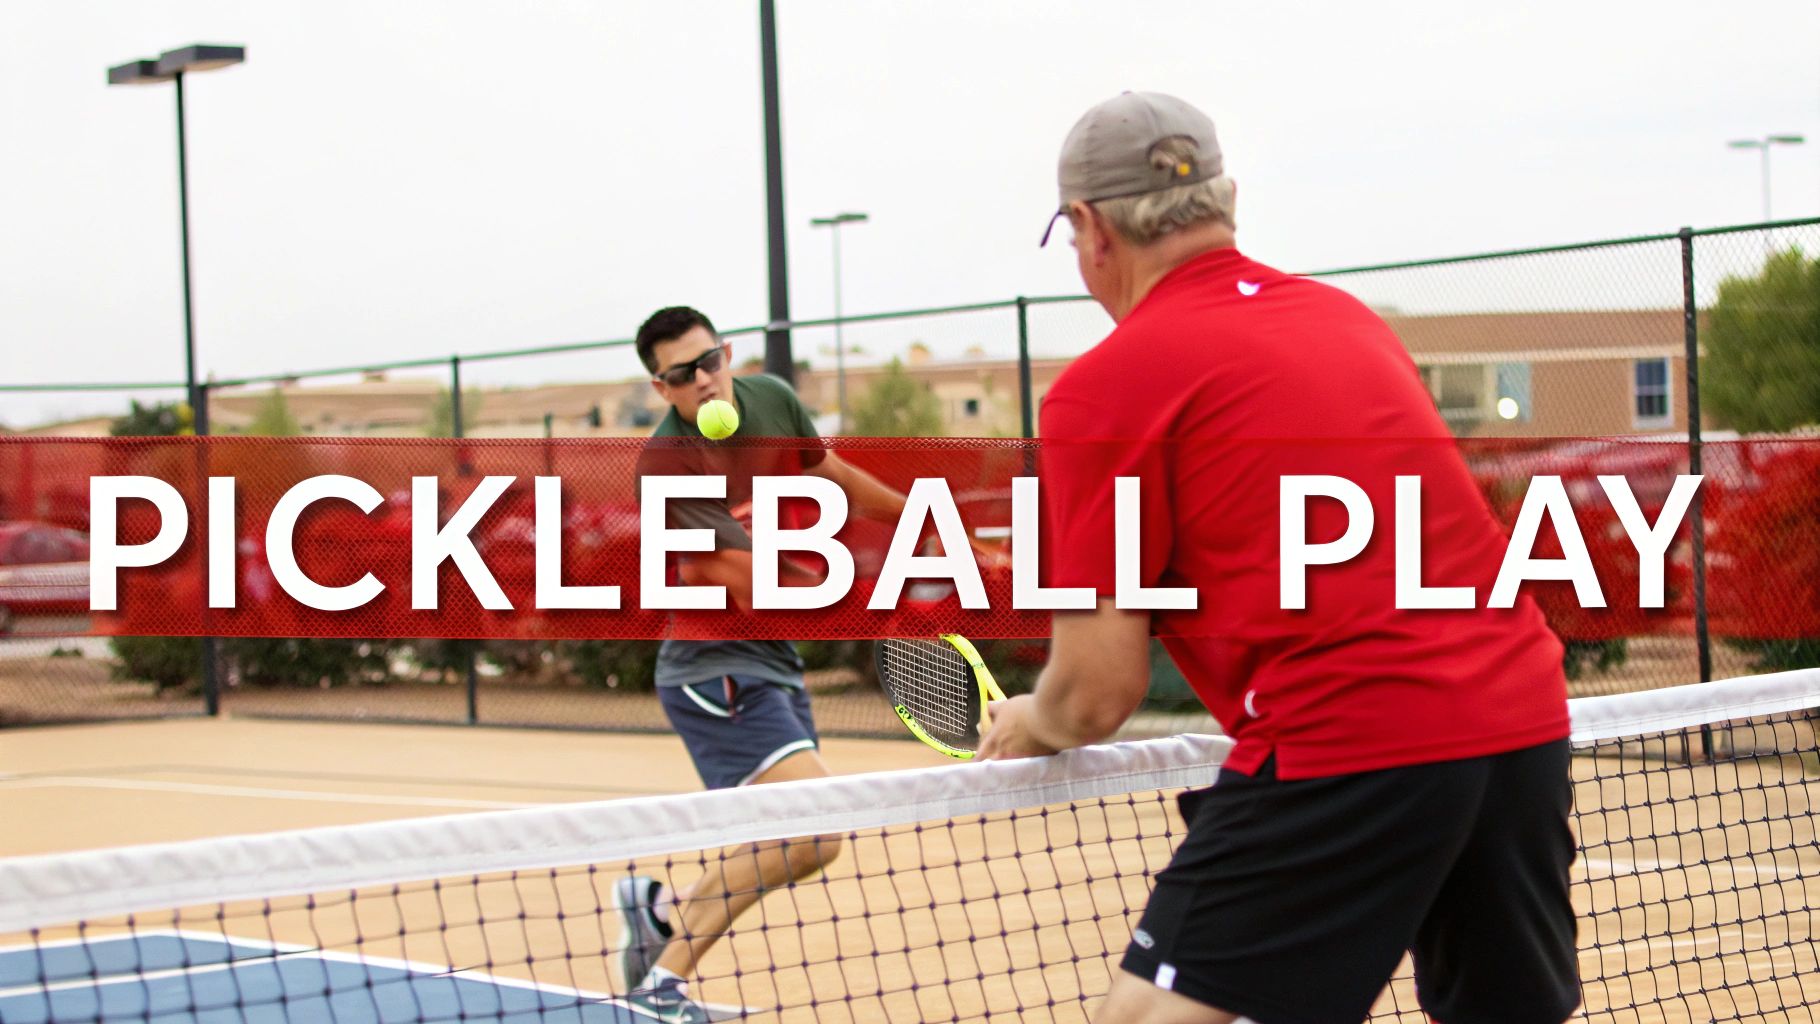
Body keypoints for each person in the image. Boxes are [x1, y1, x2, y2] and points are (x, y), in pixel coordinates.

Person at [981, 93, 1578, 1024]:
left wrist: (1036, 721)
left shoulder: (1100, 391)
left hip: (1348, 735)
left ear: (1091, 230)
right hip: (1519, 719)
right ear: (1226, 200)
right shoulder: (1346, 322)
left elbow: (1097, 692)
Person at [614, 306, 917, 1023]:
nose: (704, 381)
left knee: (803, 842)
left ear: (727, 354)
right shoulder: (665, 467)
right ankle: (659, 989)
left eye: (710, 361)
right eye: (683, 375)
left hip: (770, 661)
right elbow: (748, 581)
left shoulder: (773, 398)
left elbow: (830, 471)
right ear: (663, 390)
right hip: (712, 671)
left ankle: (663, 915)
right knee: (813, 832)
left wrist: (917, 518)